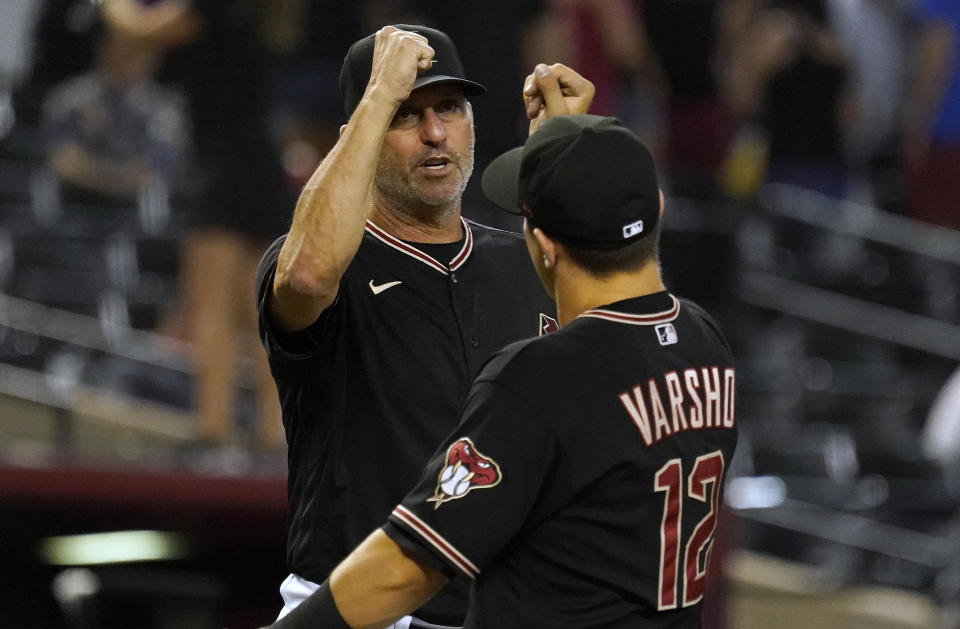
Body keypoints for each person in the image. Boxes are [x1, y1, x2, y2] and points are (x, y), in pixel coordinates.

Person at [268, 113, 738, 629]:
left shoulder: (541, 375)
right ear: (659, 212)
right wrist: (575, 151)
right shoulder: (704, 342)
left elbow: (407, 567)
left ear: (542, 243)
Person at [255, 25, 595, 627]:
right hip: (355, 611)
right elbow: (304, 280)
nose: (435, 133)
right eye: (405, 115)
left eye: (450, 109)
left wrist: (564, 152)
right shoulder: (326, 265)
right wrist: (376, 94)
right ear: (358, 137)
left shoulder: (523, 262)